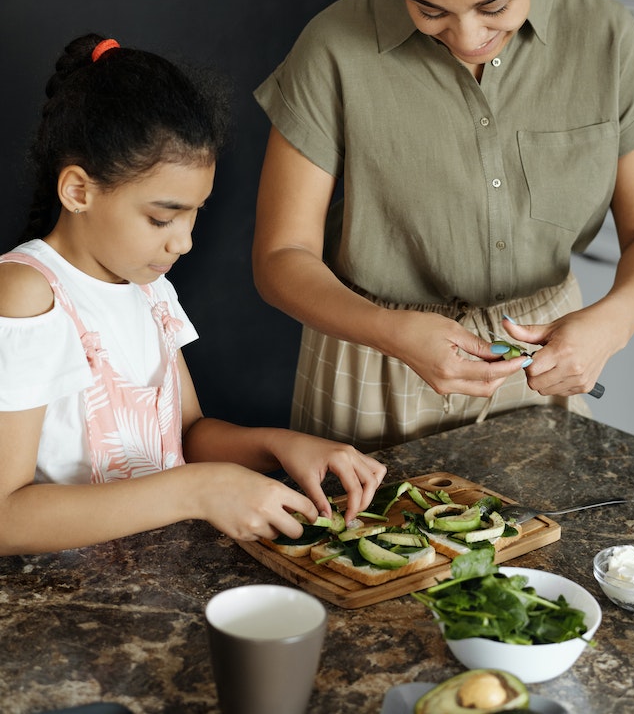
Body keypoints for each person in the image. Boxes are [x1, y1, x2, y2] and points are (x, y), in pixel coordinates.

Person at [252, 0, 634, 452]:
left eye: (495, 7)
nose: (465, 37)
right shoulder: (333, 47)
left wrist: (614, 322)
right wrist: (392, 332)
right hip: (375, 363)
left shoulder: (607, 38)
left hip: (538, 366)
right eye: (430, 10)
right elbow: (280, 258)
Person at [0, 34, 386, 557]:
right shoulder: (25, 292)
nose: (183, 241)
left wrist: (279, 444)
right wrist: (197, 490)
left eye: (194, 213)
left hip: (154, 576)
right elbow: (6, 516)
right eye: (162, 217)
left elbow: (189, 433)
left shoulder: (148, 286)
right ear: (78, 191)